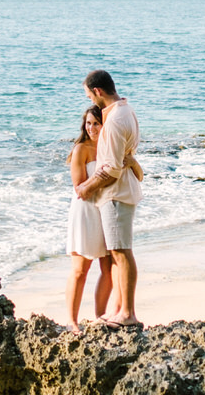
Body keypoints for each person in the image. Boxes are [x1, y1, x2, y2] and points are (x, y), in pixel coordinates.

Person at [64, 105, 143, 332]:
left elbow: (136, 175)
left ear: (104, 125)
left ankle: (100, 315)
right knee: (80, 268)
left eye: (96, 124)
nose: (91, 128)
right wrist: (107, 175)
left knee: (108, 268)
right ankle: (71, 321)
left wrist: (130, 162)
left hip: (106, 209)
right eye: (88, 123)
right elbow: (79, 187)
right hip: (86, 210)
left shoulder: (112, 146)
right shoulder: (82, 148)